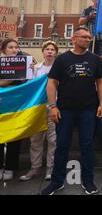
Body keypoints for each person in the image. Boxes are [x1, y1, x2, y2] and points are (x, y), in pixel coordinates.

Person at [41, 27, 102, 195]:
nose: (88, 40)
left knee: (87, 146)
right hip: (65, 110)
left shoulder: (95, 59)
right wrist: (53, 106)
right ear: (74, 39)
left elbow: (100, 82)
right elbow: (52, 83)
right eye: (84, 37)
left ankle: (88, 181)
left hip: (88, 110)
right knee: (61, 146)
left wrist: (101, 104)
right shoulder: (62, 59)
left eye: (89, 38)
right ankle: (56, 182)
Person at [20, 41, 58, 182]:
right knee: (35, 140)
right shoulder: (35, 69)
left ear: (55, 52)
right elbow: (28, 87)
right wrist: (28, 72)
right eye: (47, 49)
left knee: (53, 140)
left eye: (52, 49)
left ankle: (50, 169)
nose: (49, 51)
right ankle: (34, 168)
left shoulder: (58, 68)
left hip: (53, 107)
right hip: (37, 109)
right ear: (42, 52)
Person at [0, 39, 27, 181]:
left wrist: (29, 69)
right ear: (4, 50)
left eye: (17, 47)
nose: (14, 49)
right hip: (1, 105)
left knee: (15, 137)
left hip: (16, 106)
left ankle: (10, 167)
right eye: (11, 47)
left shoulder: (24, 63)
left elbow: (27, 83)